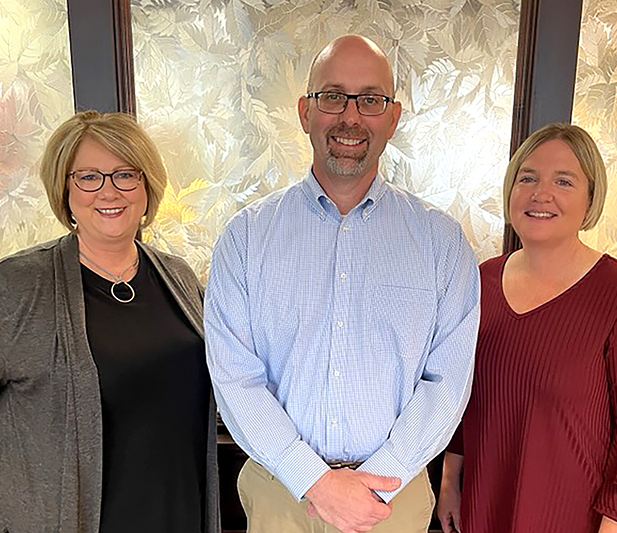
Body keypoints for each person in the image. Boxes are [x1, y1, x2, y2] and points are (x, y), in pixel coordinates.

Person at [204, 34, 479, 533]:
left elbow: (446, 383)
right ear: (306, 111)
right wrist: (315, 481)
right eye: (333, 96)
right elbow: (235, 379)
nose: (351, 117)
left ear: (392, 118)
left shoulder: (440, 242)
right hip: (281, 494)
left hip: (391, 498)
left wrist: (377, 478)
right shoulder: (246, 238)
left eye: (370, 100)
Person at [0, 111, 220, 533]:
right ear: (65, 189)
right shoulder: (15, 286)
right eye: (88, 177)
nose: (109, 191)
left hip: (177, 515)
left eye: (125, 174)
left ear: (146, 185)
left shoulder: (178, 277)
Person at [436, 123, 617, 533]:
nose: (541, 193)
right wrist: (450, 480)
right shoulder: (478, 282)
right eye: (528, 177)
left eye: (564, 181)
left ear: (591, 201)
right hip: (488, 504)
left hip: (585, 519)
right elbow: (463, 397)